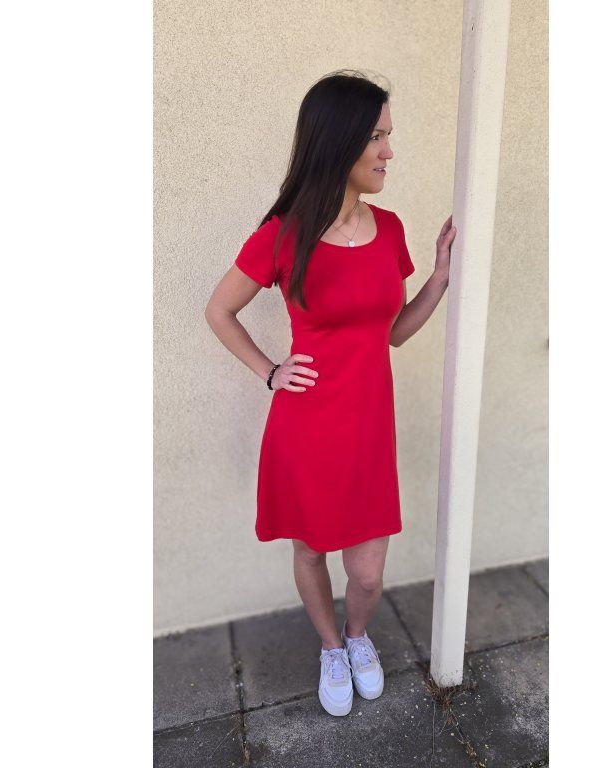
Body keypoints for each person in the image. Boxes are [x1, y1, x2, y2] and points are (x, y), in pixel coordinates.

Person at [204, 70, 456, 717]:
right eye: (376, 137)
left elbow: (390, 333)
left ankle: (357, 634)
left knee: (367, 572)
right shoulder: (282, 234)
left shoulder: (390, 229)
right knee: (311, 548)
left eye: (388, 136)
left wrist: (438, 279)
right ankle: (330, 647)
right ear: (339, 141)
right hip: (308, 424)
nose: (389, 152)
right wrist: (270, 371)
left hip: (368, 425)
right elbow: (219, 311)